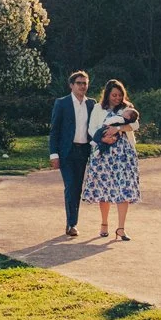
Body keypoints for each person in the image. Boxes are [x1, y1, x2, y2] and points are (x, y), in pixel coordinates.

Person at [81, 80, 141, 240]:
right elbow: (92, 128)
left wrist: (119, 128)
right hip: (103, 152)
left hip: (123, 154)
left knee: (124, 188)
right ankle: (104, 224)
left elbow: (135, 125)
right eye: (114, 95)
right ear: (107, 94)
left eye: (120, 95)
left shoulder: (127, 108)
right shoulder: (98, 108)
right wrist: (103, 139)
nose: (117, 98)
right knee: (104, 187)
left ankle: (121, 228)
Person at [48, 70, 97, 236]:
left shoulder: (92, 104)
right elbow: (54, 131)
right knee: (70, 186)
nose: (82, 86)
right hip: (67, 152)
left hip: (83, 151)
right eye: (79, 83)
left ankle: (72, 222)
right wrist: (54, 154)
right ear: (71, 85)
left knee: (77, 187)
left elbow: (96, 127)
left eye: (85, 83)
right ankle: (71, 224)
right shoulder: (62, 103)